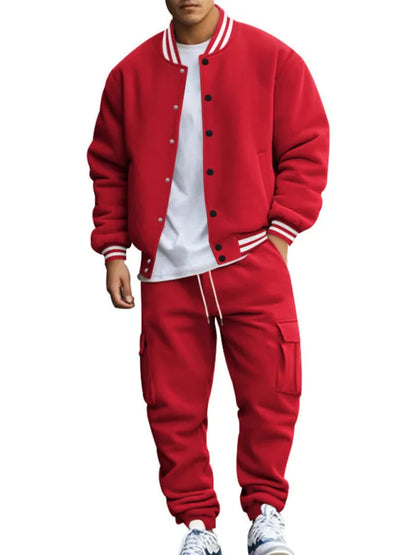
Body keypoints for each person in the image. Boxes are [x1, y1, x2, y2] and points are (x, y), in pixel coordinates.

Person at [86, 1, 330, 553]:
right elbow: (108, 166)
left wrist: (281, 234)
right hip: (166, 271)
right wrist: (114, 250)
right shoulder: (128, 75)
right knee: (171, 406)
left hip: (251, 258)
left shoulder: (274, 59)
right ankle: (197, 526)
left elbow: (307, 145)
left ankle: (266, 515)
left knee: (272, 391)